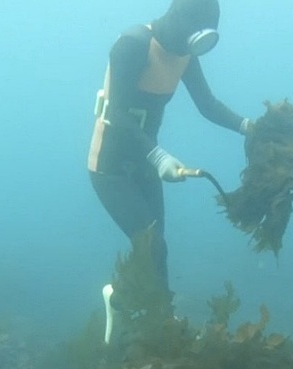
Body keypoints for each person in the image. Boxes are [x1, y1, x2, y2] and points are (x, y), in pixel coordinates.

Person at [87, 0, 251, 334]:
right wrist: (159, 156)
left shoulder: (185, 54)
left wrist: (249, 126)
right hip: (109, 167)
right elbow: (116, 113)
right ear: (177, 20)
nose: (191, 49)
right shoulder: (133, 45)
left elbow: (208, 105)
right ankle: (155, 319)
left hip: (145, 165)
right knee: (151, 243)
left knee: (157, 245)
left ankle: (140, 311)